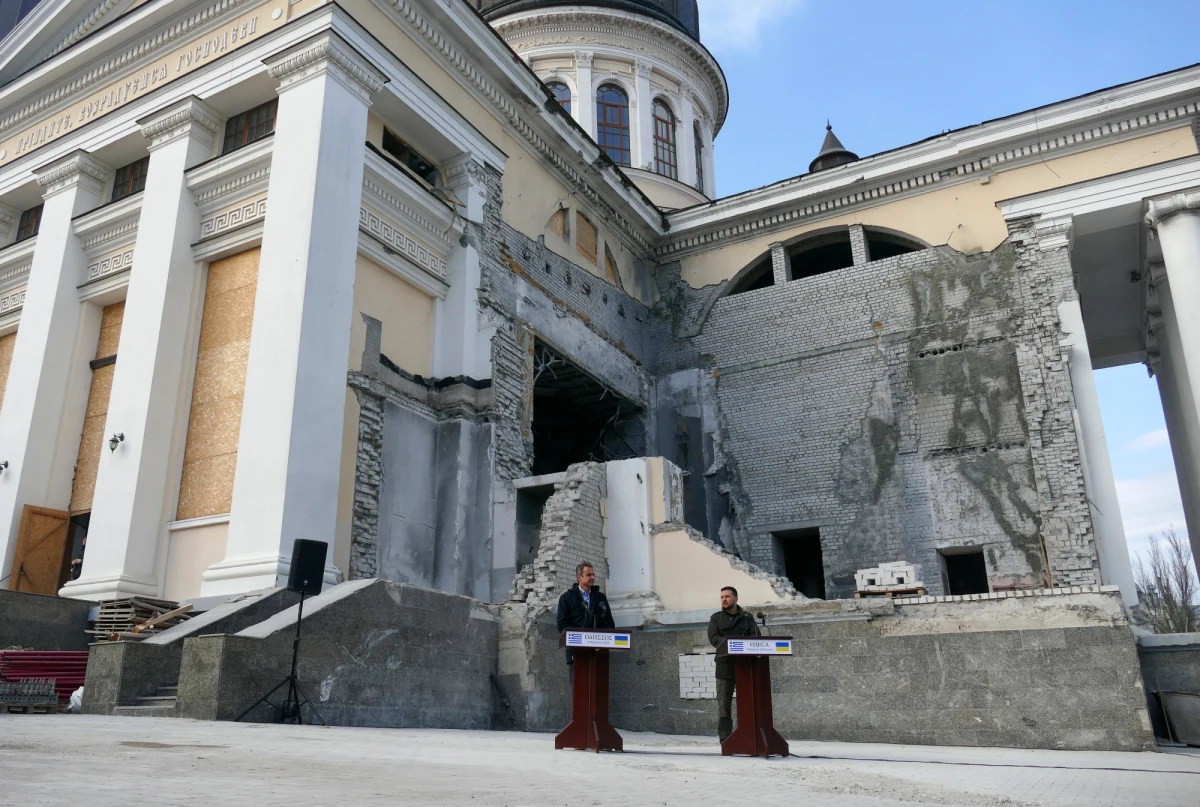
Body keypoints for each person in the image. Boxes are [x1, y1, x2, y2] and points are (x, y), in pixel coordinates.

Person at [707, 585, 760, 744]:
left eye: (727, 597)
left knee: (749, 702)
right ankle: (726, 739)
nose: (724, 600)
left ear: (736, 598)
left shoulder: (747, 618)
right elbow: (713, 638)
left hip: (745, 666)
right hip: (725, 666)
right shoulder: (716, 619)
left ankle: (750, 736)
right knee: (724, 706)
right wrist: (730, 645)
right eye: (722, 597)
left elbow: (756, 637)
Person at [555, 561, 615, 681]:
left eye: (593, 575)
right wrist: (581, 637)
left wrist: (599, 639)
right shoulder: (567, 598)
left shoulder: (600, 598)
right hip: (577, 654)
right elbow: (562, 625)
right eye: (588, 575)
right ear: (579, 577)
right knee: (579, 691)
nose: (592, 577)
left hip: (599, 653)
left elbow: (610, 624)